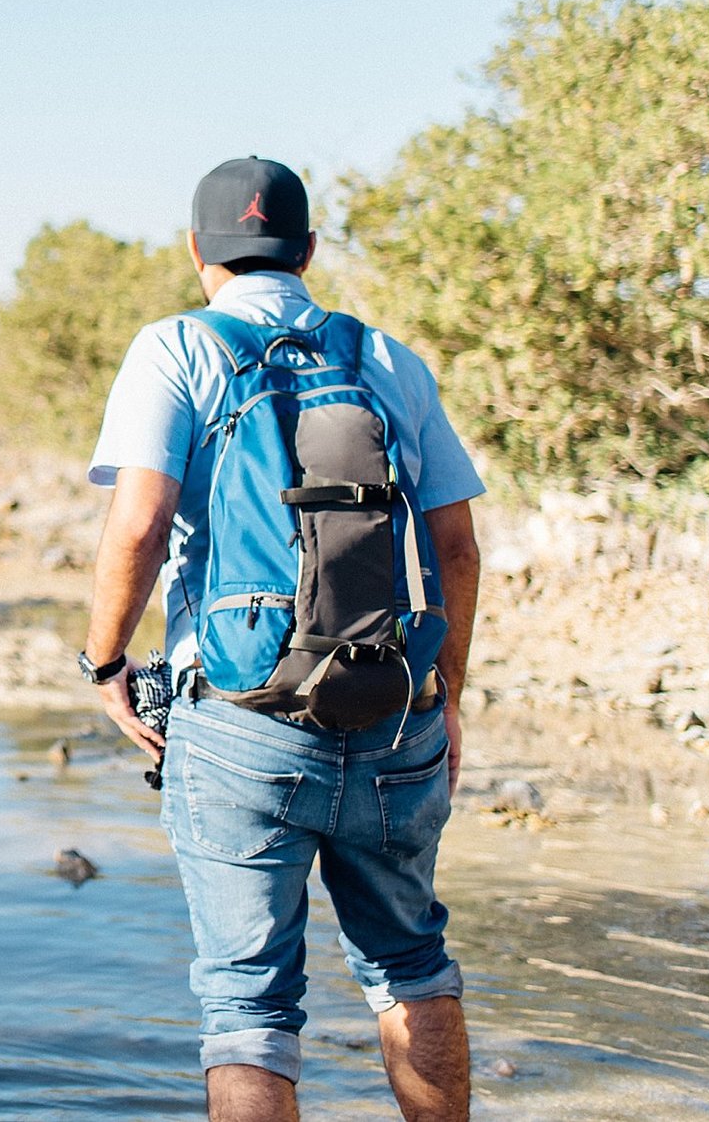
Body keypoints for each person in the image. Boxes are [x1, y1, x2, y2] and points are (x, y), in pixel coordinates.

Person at [78, 157, 484, 1122]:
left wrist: (104, 662)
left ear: (195, 251)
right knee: (412, 964)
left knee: (248, 1004)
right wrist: (448, 695)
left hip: (238, 721)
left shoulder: (177, 347)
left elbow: (138, 524)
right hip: (392, 714)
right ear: (308, 250)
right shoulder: (384, 357)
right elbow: (457, 545)